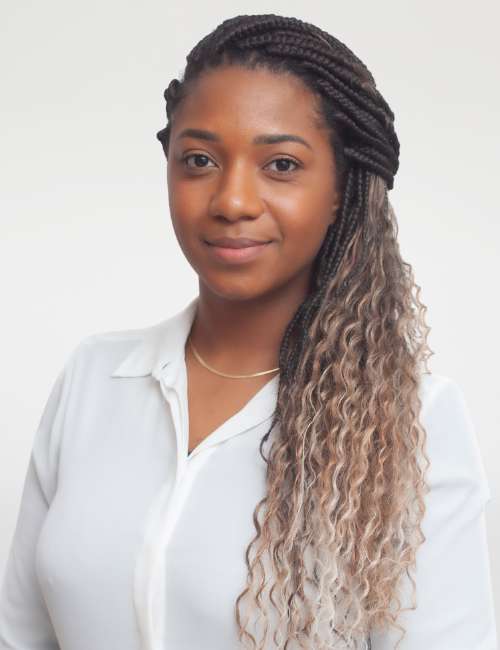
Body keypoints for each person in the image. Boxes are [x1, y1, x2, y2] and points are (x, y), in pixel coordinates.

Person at [0, 13, 497, 650]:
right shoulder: (94, 379)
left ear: (341, 189)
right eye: (200, 160)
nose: (232, 201)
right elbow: (22, 635)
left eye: (281, 164)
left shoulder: (410, 419)